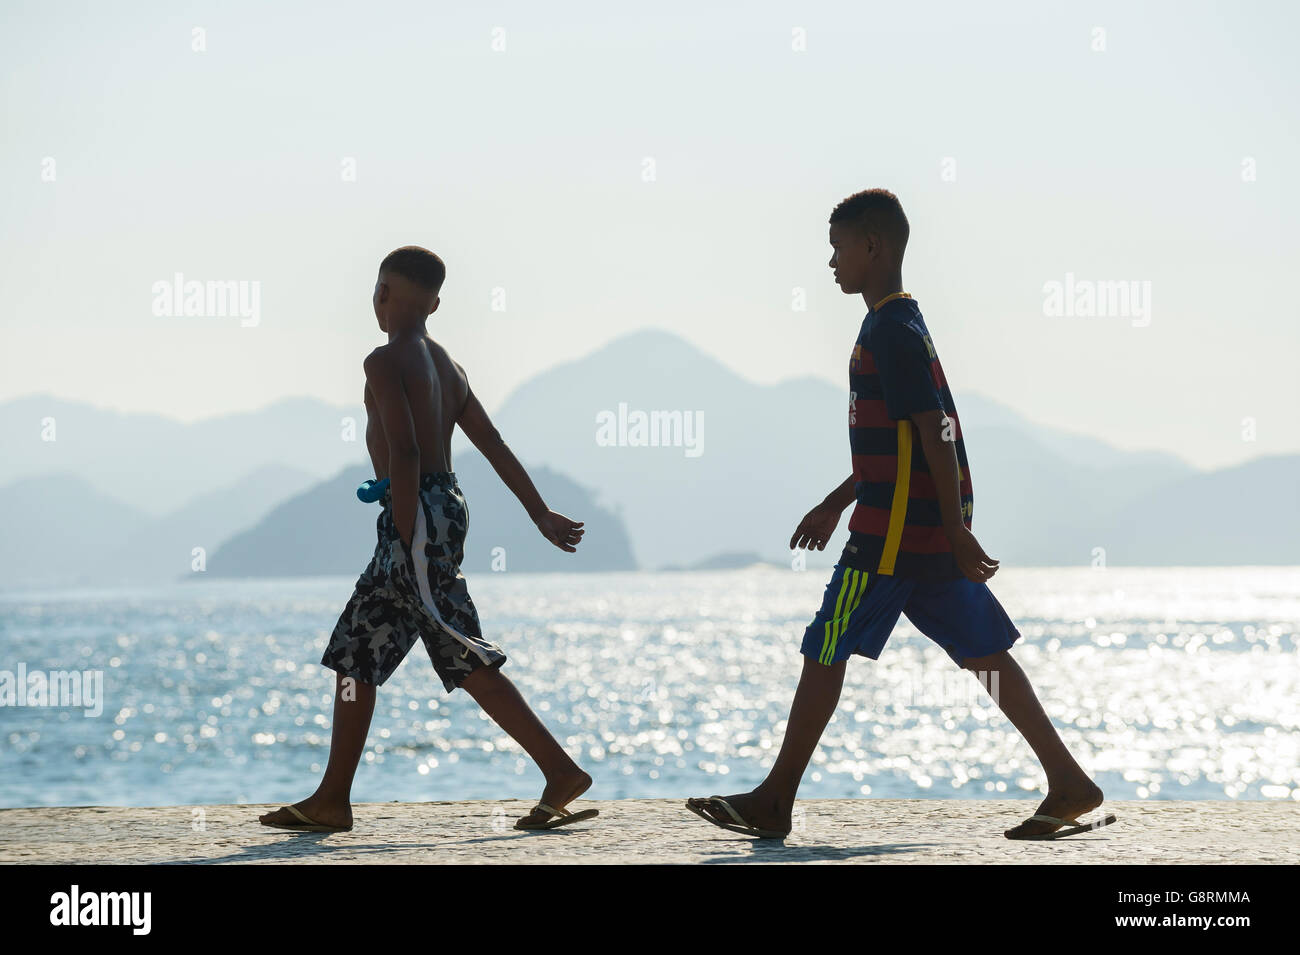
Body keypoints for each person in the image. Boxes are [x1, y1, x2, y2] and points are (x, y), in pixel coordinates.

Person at [686, 190, 1113, 841]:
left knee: (825, 643)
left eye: (837, 248)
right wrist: (839, 500)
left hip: (892, 536)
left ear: (872, 247)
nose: (831, 262)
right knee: (985, 652)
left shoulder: (890, 329)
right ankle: (1070, 781)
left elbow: (934, 429)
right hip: (922, 534)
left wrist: (954, 526)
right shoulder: (900, 326)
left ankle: (775, 799)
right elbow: (905, 440)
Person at [260, 245, 597, 833]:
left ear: (383, 295)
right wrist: (538, 512)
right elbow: (492, 444)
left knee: (460, 647)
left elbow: (408, 449)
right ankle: (332, 799)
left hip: (416, 514)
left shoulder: (385, 362)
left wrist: (406, 524)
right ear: (435, 303)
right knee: (354, 654)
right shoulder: (449, 367)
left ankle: (560, 770)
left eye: (376, 289)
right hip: (434, 508)